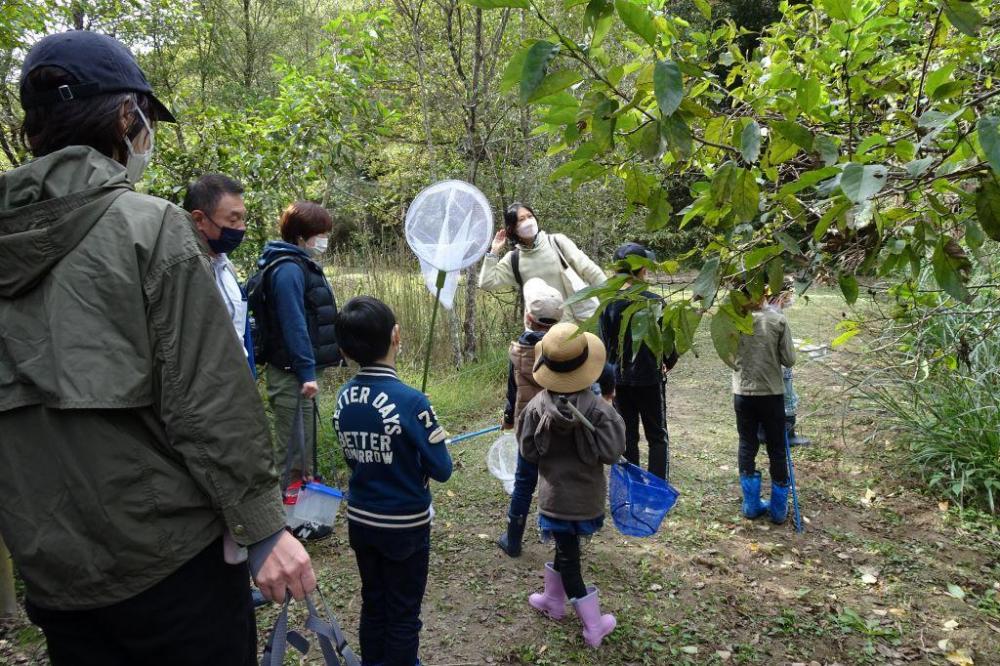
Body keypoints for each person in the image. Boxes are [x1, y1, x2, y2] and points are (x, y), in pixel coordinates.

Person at [0, 30, 314, 665]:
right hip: (170, 566)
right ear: (125, 116)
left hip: (54, 573)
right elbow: (207, 398)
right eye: (145, 119)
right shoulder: (147, 228)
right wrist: (263, 529)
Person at [333, 296, 453, 666]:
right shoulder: (412, 401)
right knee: (403, 613)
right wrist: (427, 425)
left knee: (374, 603)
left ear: (344, 349)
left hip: (361, 519)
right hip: (404, 526)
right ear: (396, 336)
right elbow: (442, 469)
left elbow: (355, 457)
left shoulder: (342, 397)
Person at [518, 323, 625, 648]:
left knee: (567, 551)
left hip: (554, 500)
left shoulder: (535, 408)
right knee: (569, 555)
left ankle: (554, 600)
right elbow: (613, 452)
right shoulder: (600, 411)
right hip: (586, 501)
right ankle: (593, 626)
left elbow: (527, 452)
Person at [255, 201, 342, 541]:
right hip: (291, 373)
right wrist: (307, 372)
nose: (323, 240)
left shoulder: (296, 263)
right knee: (289, 449)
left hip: (299, 371)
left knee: (302, 450)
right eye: (320, 234)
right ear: (303, 235)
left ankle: (299, 519)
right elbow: (294, 325)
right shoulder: (288, 269)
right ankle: (276, 528)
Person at [496, 278, 565, 557]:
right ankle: (562, 542)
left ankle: (513, 540)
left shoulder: (518, 352)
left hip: (527, 427)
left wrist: (509, 420)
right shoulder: (564, 350)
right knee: (559, 481)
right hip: (559, 426)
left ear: (528, 318)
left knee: (524, 482)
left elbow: (512, 393)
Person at [600, 242, 678, 481]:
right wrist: (667, 362)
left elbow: (605, 346)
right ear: (642, 270)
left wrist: (608, 382)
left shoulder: (608, 303)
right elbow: (668, 346)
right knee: (657, 435)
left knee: (628, 435)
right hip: (650, 379)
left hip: (620, 380)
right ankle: (656, 485)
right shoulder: (655, 302)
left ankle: (633, 484)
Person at [479, 202, 605, 324]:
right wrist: (494, 251)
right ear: (513, 228)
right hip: (543, 333)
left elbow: (590, 270)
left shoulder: (557, 242)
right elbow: (486, 283)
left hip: (580, 322)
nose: (528, 221)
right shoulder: (514, 259)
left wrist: (612, 297)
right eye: (521, 219)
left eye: (530, 216)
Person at [734, 288, 797, 524]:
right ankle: (779, 510)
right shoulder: (777, 320)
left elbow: (729, 356)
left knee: (747, 444)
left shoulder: (734, 320)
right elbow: (789, 359)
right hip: (771, 393)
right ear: (765, 292)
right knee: (777, 447)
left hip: (743, 392)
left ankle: (751, 505)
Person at [183, 173, 255, 373]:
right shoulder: (184, 274)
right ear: (199, 219)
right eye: (233, 220)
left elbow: (240, 333)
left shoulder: (226, 266)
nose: (242, 228)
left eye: (243, 218)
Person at [765, 277, 810, 447]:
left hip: (767, 365)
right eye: (790, 294)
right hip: (780, 364)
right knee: (789, 398)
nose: (792, 299)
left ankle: (767, 430)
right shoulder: (776, 314)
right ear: (783, 294)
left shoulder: (765, 310)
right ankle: (788, 435)